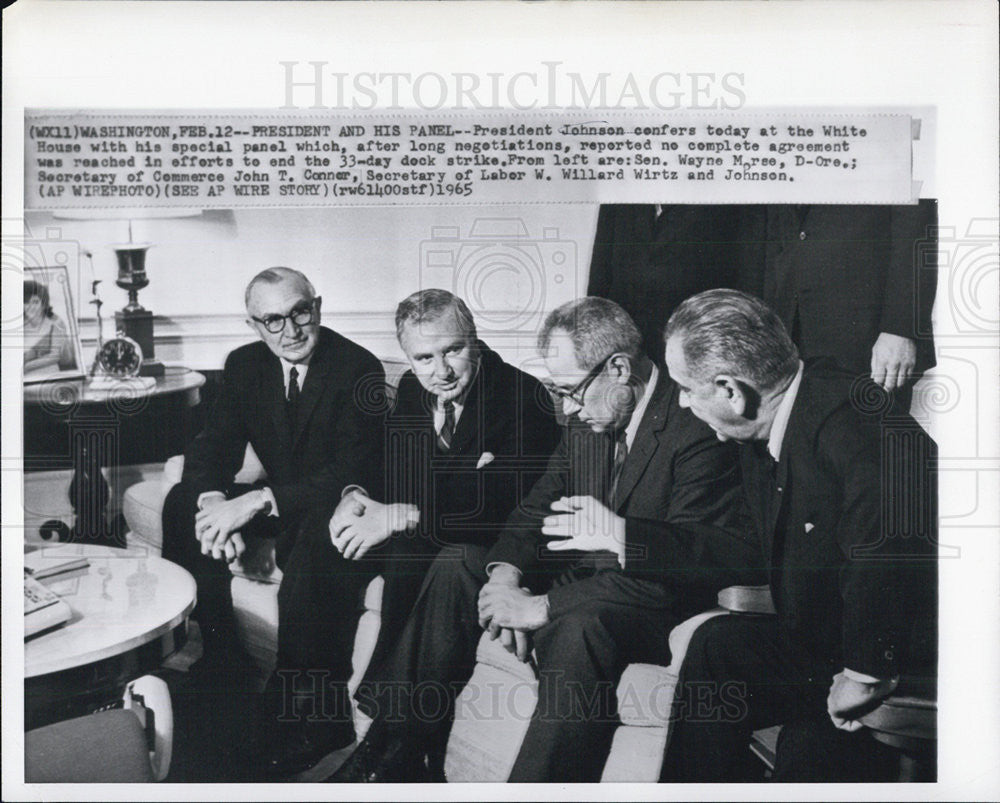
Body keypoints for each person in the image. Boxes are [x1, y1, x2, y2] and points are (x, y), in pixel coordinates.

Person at [332, 297, 761, 783]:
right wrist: (504, 579)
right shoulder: (590, 418)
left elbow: (682, 561)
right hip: (588, 574)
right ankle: (394, 751)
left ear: (619, 368)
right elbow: (536, 507)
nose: (570, 408)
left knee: (580, 625)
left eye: (573, 392)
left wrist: (542, 608)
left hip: (649, 595)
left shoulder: (697, 428)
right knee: (459, 564)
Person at [659, 289, 937, 782]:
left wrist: (864, 672)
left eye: (685, 387)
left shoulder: (854, 425)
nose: (681, 403)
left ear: (730, 389)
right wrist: (632, 542)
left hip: (901, 653)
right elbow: (752, 545)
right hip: (826, 640)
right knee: (716, 645)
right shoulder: (771, 424)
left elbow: (887, 548)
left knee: (810, 748)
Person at [160, 267, 386, 777]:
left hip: (342, 506)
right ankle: (221, 654)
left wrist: (258, 501)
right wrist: (214, 502)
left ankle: (314, 711)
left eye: (299, 312)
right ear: (253, 325)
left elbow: (351, 472)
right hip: (281, 504)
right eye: (273, 321)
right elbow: (210, 449)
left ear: (318, 307)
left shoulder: (358, 368)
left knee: (314, 540)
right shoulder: (243, 366)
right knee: (180, 500)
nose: (291, 331)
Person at [322, 288, 560, 678]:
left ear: (475, 339)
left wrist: (405, 514)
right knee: (325, 536)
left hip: (485, 546)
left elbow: (502, 504)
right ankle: (316, 705)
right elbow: (393, 470)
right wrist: (357, 496)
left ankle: (383, 711)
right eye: (424, 358)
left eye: (452, 350)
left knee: (406, 548)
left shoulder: (522, 394)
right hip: (430, 533)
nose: (442, 371)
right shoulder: (415, 391)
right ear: (408, 359)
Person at [759, 202, 938, 410]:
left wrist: (901, 329)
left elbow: (917, 225)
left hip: (869, 339)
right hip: (788, 329)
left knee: (866, 437)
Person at [587, 204, 765, 363]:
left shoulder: (733, 200)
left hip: (697, 351)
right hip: (627, 353)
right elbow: (600, 275)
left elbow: (745, 285)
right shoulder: (620, 189)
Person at [24, 279, 76, 376]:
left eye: (35, 302)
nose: (30, 306)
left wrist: (27, 366)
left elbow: (55, 356)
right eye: (26, 302)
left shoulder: (56, 322)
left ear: (43, 304)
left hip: (49, 373)